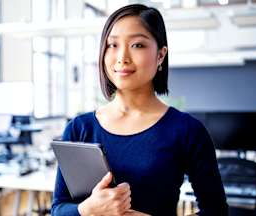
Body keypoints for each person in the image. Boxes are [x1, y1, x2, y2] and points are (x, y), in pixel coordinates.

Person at [51, 4, 228, 216]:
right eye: (112, 45)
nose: (122, 57)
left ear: (161, 55)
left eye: (137, 45)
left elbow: (216, 212)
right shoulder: (79, 129)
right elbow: (58, 209)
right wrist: (86, 210)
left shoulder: (187, 131)